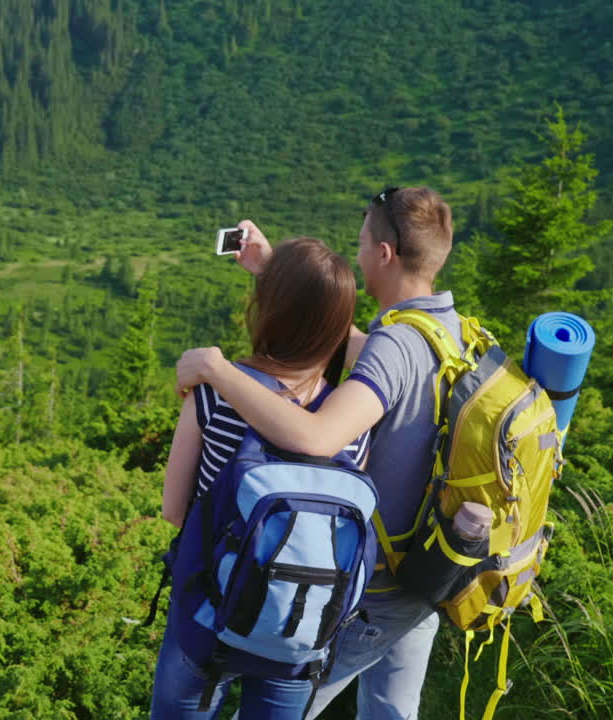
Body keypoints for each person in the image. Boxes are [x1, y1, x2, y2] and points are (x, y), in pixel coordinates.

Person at [175, 187, 457, 720]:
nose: (357, 253)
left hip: (375, 585)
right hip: (427, 571)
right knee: (393, 711)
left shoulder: (396, 342)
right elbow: (348, 342)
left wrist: (218, 372)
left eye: (361, 242)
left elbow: (316, 437)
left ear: (384, 254)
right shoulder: (445, 329)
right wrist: (273, 270)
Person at [152, 237, 372, 720]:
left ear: (264, 310)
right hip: (297, 634)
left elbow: (173, 510)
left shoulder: (211, 398)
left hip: (206, 618)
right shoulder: (349, 425)